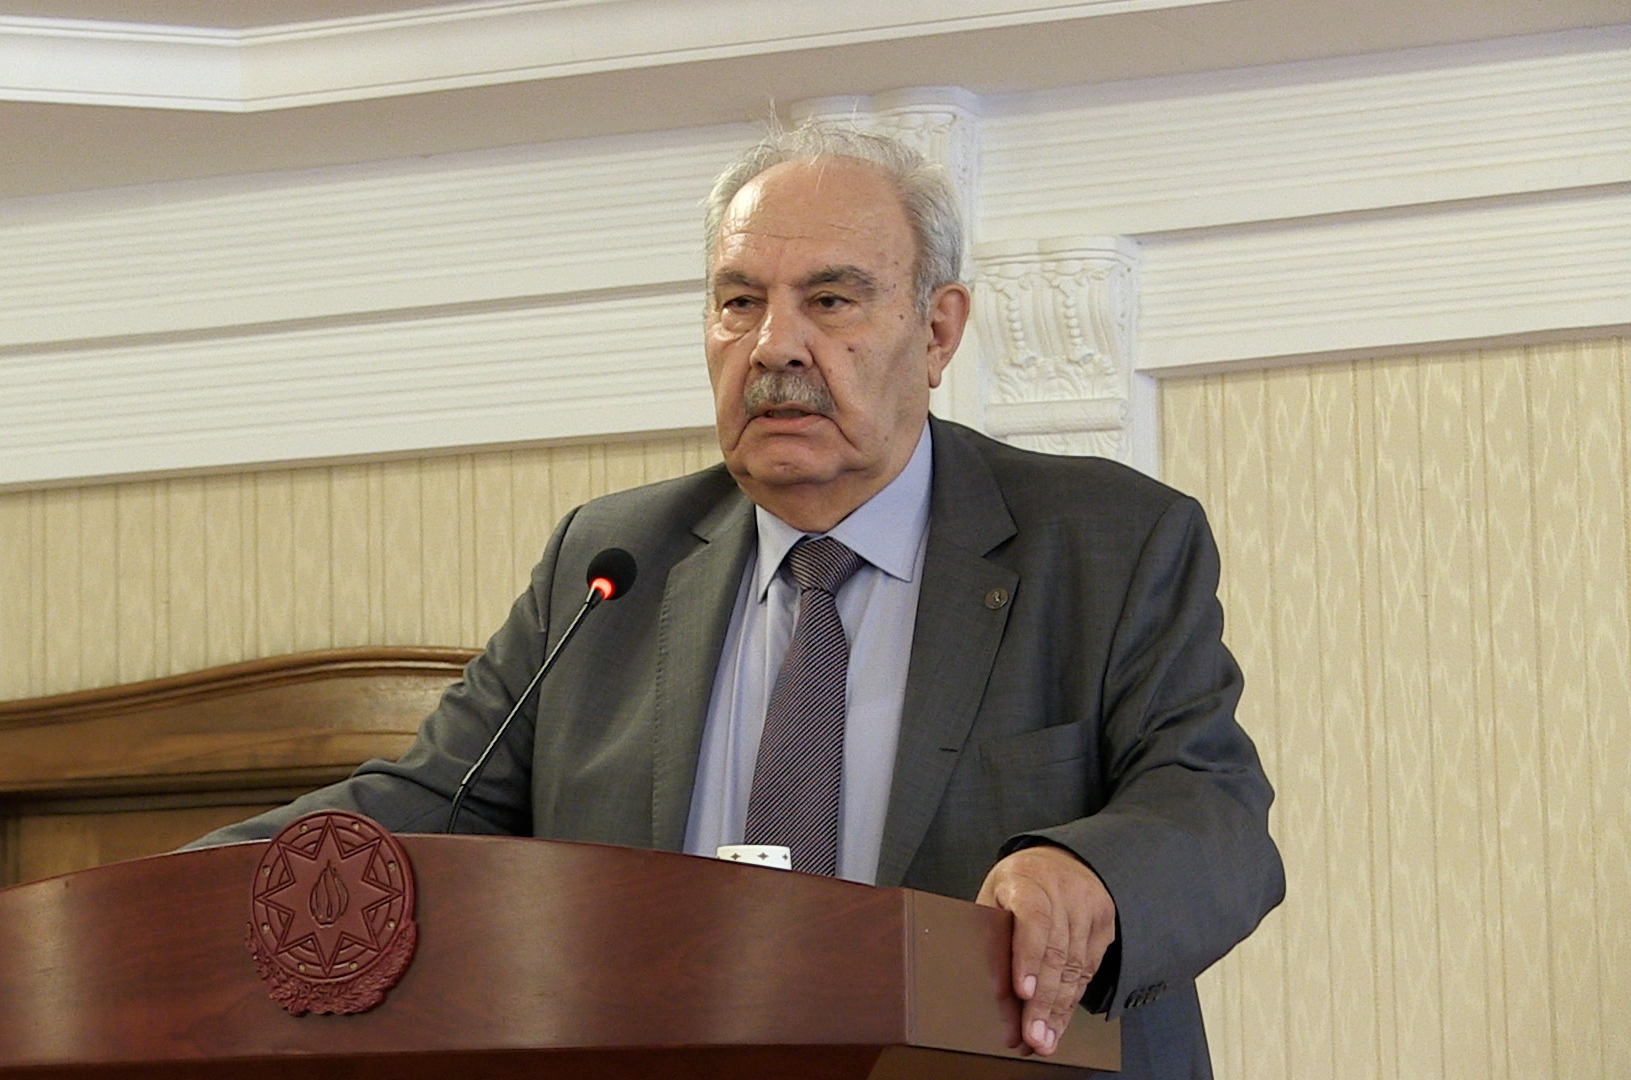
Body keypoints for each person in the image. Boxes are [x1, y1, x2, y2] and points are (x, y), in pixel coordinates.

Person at [192, 123, 1284, 1078]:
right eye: (740, 302)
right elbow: (438, 800)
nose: (775, 346)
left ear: (939, 331)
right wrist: (166, 893)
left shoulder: (1105, 542)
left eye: (831, 299)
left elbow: (1213, 811)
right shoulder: (612, 561)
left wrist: (1087, 870)